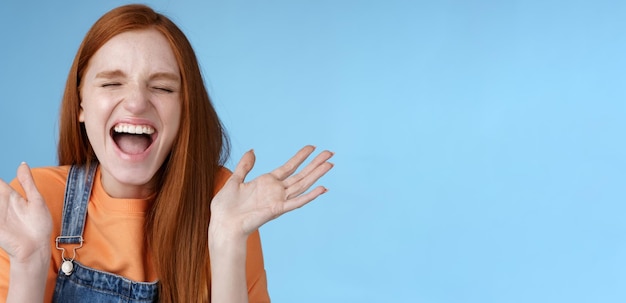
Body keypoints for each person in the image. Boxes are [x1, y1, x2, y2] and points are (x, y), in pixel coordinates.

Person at [0, 4, 333, 303]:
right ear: (81, 104)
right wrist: (29, 262)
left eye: (161, 87)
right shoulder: (39, 202)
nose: (136, 102)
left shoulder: (225, 201)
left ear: (184, 109)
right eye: (112, 83)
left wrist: (227, 241)